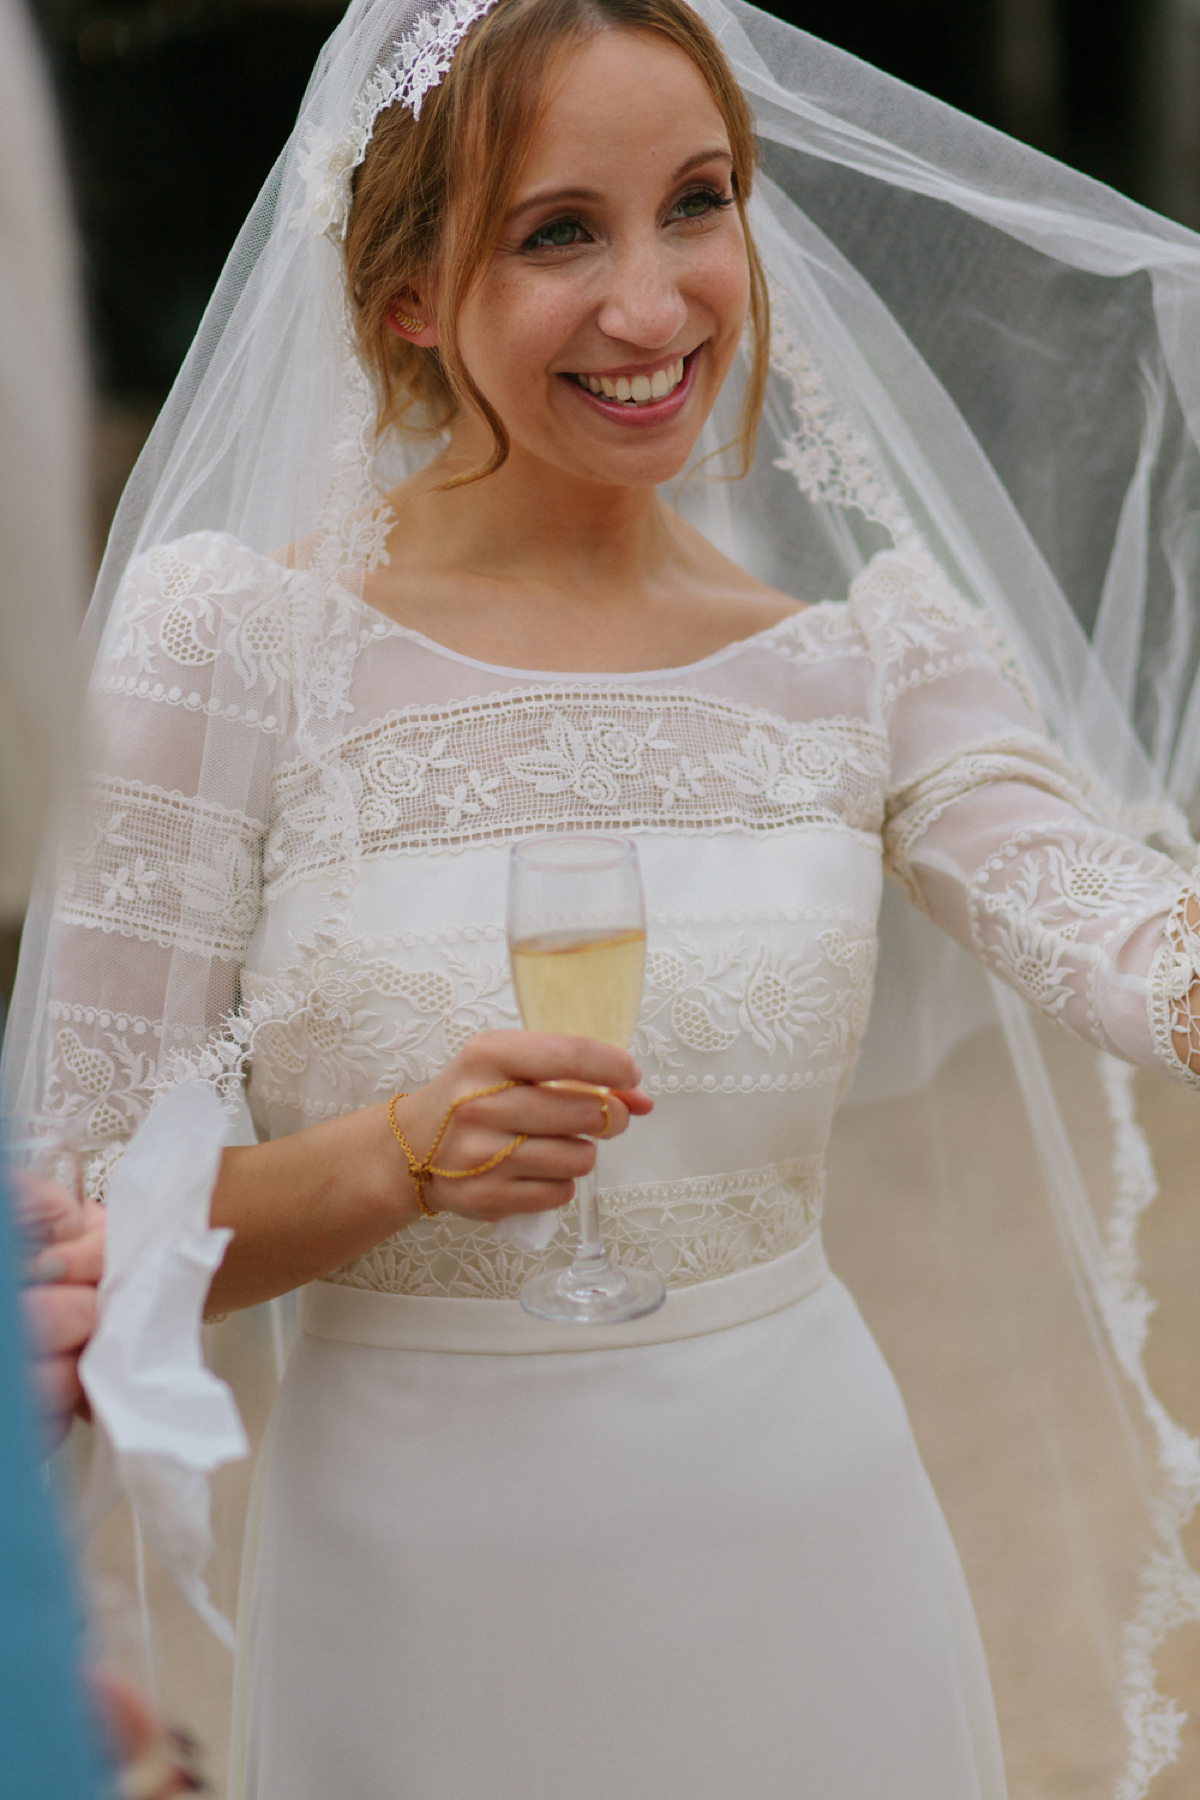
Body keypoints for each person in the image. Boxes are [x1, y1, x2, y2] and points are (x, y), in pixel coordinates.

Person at [5, 0, 1200, 1793]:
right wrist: (392, 1157)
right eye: (560, 230)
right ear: (403, 289)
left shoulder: (868, 658)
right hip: (416, 1596)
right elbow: (73, 1263)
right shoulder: (232, 646)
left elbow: (1121, 936)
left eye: (698, 202)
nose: (654, 306)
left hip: (810, 1554)